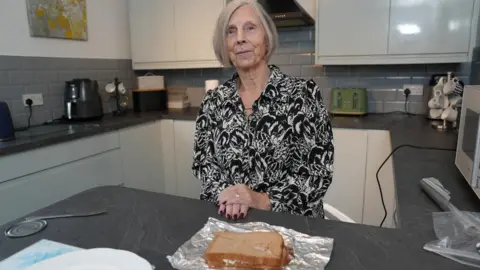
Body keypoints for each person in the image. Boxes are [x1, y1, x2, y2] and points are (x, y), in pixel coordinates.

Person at [192, 0, 334, 220]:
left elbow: (316, 175)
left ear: (266, 40)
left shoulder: (303, 95)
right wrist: (228, 196)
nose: (240, 38)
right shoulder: (213, 103)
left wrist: (261, 200)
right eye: (231, 31)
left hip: (294, 229)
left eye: (250, 28)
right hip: (233, 225)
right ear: (225, 45)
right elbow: (204, 167)